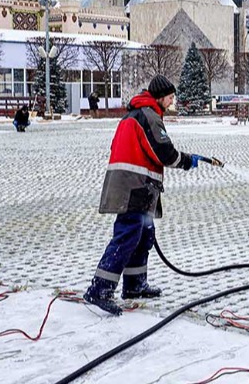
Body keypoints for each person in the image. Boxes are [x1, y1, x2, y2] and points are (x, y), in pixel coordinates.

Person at [83, 75, 206, 316]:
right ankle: (100, 289)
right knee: (128, 235)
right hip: (133, 186)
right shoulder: (148, 115)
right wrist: (186, 161)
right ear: (159, 97)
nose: (172, 101)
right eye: (170, 97)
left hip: (136, 185)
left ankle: (135, 285)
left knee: (143, 234)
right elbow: (164, 153)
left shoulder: (136, 114)